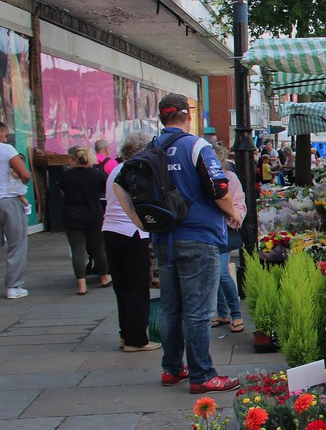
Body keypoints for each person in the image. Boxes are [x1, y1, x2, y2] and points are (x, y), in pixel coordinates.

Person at [115, 93, 240, 394]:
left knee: (171, 308)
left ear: (162, 118)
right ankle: (202, 375)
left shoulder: (151, 148)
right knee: (198, 311)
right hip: (199, 238)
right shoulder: (196, 146)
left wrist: (141, 223)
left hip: (165, 239)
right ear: (187, 115)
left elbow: (120, 184)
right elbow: (219, 187)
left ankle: (172, 369)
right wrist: (233, 212)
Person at [102, 132, 160, 352]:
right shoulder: (136, 171)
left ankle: (125, 333)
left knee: (122, 287)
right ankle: (137, 340)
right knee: (137, 287)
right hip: (132, 233)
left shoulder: (115, 170)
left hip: (110, 231)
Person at [59, 146, 111, 295]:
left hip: (72, 216)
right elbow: (106, 189)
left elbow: (63, 193)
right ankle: (104, 277)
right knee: (99, 248)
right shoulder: (97, 174)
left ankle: (82, 286)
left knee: (78, 250)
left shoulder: (65, 176)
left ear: (74, 159)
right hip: (94, 215)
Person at [209, 142, 246, 334]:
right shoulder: (204, 178)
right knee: (216, 272)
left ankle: (237, 314)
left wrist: (233, 215)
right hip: (209, 231)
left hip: (224, 230)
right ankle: (223, 313)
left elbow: (239, 204)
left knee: (221, 272)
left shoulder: (230, 178)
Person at [0, 122, 30, 298]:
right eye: (4, 135)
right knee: (16, 243)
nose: (6, 138)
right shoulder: (7, 149)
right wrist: (21, 183)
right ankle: (14, 286)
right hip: (8, 199)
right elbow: (25, 174)